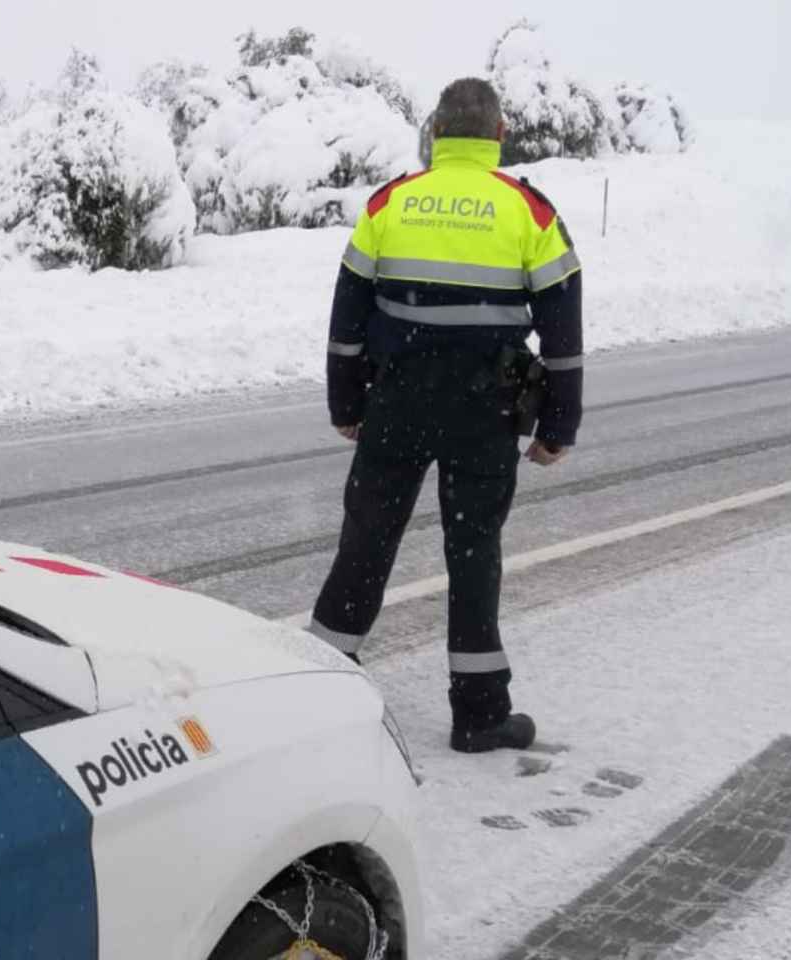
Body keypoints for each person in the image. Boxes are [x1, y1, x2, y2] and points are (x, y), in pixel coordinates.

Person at [306, 77, 583, 754]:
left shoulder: (391, 202)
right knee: (473, 550)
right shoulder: (530, 213)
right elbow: (563, 334)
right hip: (486, 411)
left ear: (434, 132)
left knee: (368, 538)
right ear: (499, 133)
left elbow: (347, 319)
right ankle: (480, 713)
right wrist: (556, 429)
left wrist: (348, 403)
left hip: (397, 399)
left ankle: (318, 683)